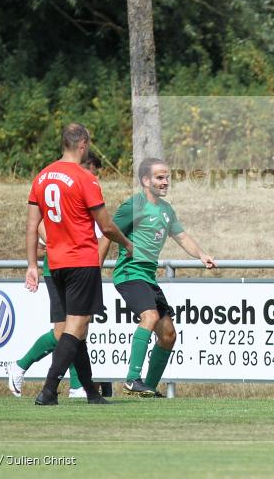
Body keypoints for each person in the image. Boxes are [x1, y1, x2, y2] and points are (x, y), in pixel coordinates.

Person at [25, 123, 133, 405]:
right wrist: (128, 243)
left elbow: (31, 225)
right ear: (83, 144)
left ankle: (91, 392)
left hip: (55, 264)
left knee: (78, 328)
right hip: (81, 261)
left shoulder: (42, 177)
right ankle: (48, 390)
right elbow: (107, 226)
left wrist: (31, 265)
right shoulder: (86, 179)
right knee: (75, 327)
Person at [99, 157, 216, 397]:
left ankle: (148, 389)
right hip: (130, 272)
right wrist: (93, 273)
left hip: (148, 277)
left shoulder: (166, 209)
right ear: (145, 180)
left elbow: (181, 237)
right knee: (149, 316)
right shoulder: (133, 205)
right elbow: (106, 234)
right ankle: (132, 379)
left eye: (167, 178)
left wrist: (201, 255)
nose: (165, 182)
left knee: (168, 335)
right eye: (160, 178)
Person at [7, 151, 103, 399]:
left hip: (74, 264)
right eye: (92, 169)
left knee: (78, 329)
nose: (94, 175)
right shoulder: (72, 186)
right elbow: (39, 227)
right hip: (62, 266)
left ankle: (83, 388)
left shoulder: (80, 193)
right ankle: (25, 369)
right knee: (66, 331)